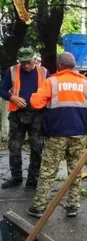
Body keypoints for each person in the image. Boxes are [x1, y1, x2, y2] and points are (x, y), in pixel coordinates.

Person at [27, 52, 87, 218]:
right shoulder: (86, 84)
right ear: (73, 66)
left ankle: (39, 207)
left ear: (59, 65)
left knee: (48, 171)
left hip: (56, 134)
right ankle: (73, 206)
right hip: (79, 134)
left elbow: (36, 104)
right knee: (75, 170)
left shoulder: (51, 82)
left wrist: (32, 95)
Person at [0, 47, 50, 189]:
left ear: (34, 59)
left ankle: (33, 180)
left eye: (29, 62)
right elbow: (2, 89)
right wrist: (12, 98)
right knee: (14, 148)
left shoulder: (44, 72)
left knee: (37, 148)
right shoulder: (12, 71)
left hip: (37, 115)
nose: (26, 66)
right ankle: (16, 178)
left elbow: (52, 90)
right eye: (23, 63)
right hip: (17, 115)